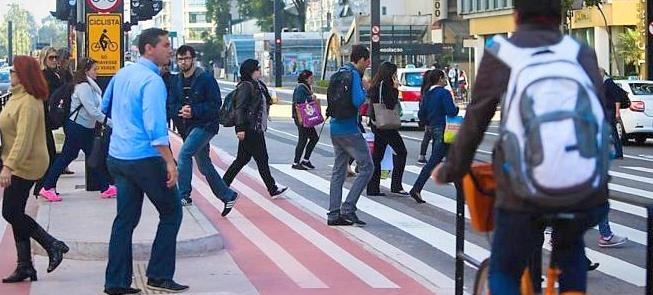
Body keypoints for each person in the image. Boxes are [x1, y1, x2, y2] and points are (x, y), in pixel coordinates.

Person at [433, 1, 609, 293]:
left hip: (523, 195)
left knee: (504, 267)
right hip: (585, 191)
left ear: (515, 15)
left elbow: (477, 119)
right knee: (571, 250)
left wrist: (452, 168)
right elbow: (600, 118)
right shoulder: (581, 53)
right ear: (559, 16)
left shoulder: (503, 52)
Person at [102, 28, 188, 295]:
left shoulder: (123, 73)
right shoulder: (152, 82)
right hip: (144, 158)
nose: (170, 50)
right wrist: (170, 162)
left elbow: (105, 107)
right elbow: (155, 129)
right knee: (172, 212)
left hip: (118, 156)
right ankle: (159, 275)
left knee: (124, 220)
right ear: (149, 48)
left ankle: (116, 282)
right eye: (165, 45)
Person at [1, 56, 69, 283]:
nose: (10, 74)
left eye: (13, 70)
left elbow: (24, 138)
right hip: (18, 160)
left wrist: (8, 167)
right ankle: (25, 266)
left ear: (23, 74)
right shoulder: (16, 97)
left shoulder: (29, 101)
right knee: (16, 211)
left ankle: (52, 244)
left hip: (27, 163)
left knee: (10, 211)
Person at [169, 45, 239, 215]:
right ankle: (228, 195)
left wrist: (193, 110)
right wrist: (180, 110)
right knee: (204, 165)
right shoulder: (176, 80)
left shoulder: (205, 79)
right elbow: (171, 103)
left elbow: (215, 105)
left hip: (206, 125)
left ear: (193, 59)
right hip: (188, 127)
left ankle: (184, 195)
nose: (183, 62)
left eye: (186, 58)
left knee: (184, 154)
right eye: (180, 59)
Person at [38, 58, 117, 202]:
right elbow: (92, 110)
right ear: (86, 71)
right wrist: (110, 123)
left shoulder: (87, 86)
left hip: (82, 127)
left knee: (79, 156)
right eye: (94, 69)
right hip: (79, 128)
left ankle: (105, 187)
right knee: (82, 156)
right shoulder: (84, 87)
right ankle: (47, 187)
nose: (97, 72)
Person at [223, 59, 288, 198]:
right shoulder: (246, 86)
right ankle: (272, 188)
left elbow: (266, 100)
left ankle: (222, 185)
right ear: (251, 71)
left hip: (254, 128)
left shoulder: (257, 85)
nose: (260, 70)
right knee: (262, 159)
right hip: (250, 128)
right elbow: (240, 108)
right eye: (257, 68)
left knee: (241, 160)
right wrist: (240, 128)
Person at [327, 45, 372, 227]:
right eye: (366, 62)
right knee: (367, 167)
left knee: (339, 171)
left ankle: (333, 213)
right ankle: (348, 208)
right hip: (349, 129)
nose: (367, 65)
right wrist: (365, 89)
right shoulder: (353, 74)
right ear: (360, 59)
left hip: (335, 127)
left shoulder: (339, 72)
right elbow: (357, 100)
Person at [410, 70, 458, 204]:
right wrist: (457, 109)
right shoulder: (444, 93)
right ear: (440, 78)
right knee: (447, 161)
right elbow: (451, 111)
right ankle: (416, 188)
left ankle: (417, 188)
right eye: (444, 78)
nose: (445, 81)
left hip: (434, 128)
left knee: (445, 160)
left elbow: (421, 114)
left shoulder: (427, 93)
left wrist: (428, 122)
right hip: (445, 129)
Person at [366, 61, 408, 197]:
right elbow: (390, 104)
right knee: (401, 152)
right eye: (394, 73)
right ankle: (396, 185)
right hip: (384, 124)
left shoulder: (376, 84)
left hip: (377, 123)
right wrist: (395, 89)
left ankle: (373, 187)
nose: (395, 75)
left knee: (377, 155)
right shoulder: (385, 85)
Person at [34, 47, 62, 196]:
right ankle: (43, 187)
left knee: (52, 153)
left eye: (56, 57)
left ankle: (44, 187)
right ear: (44, 59)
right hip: (43, 119)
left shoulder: (54, 75)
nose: (54, 60)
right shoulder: (44, 76)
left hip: (51, 119)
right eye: (51, 57)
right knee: (50, 154)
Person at [292, 70, 319, 170]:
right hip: (301, 118)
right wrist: (311, 98)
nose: (312, 80)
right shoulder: (301, 87)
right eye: (311, 78)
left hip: (305, 117)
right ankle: (296, 162)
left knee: (314, 138)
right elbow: (299, 102)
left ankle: (306, 160)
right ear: (306, 78)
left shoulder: (305, 87)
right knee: (303, 140)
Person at [417, 69, 435, 165]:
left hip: (426, 116)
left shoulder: (424, 87)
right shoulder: (431, 89)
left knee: (427, 136)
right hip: (431, 116)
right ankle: (433, 156)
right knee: (434, 137)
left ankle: (422, 155)